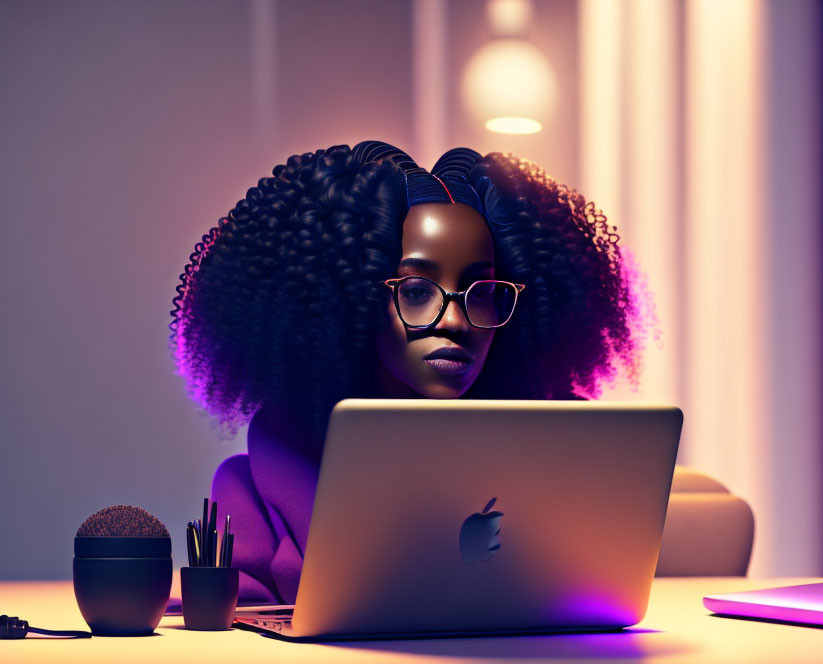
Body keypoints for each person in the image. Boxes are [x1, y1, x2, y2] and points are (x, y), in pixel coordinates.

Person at [170, 141, 652, 604]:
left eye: (482, 291)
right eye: (417, 290)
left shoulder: (562, 448)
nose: (456, 321)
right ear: (350, 300)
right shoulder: (268, 470)